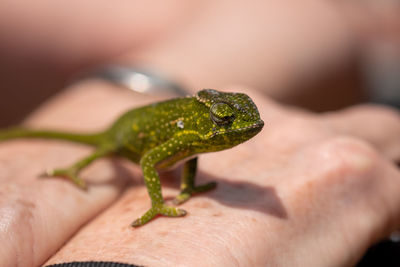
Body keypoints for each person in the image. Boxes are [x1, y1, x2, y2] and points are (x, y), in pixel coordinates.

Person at [0, 1, 399, 266]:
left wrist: (190, 185)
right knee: (97, 151)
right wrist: (157, 204)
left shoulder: (195, 137)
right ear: (211, 119)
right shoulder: (190, 132)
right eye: (226, 120)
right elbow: (150, 159)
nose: (247, 128)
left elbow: (190, 155)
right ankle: (75, 169)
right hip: (122, 136)